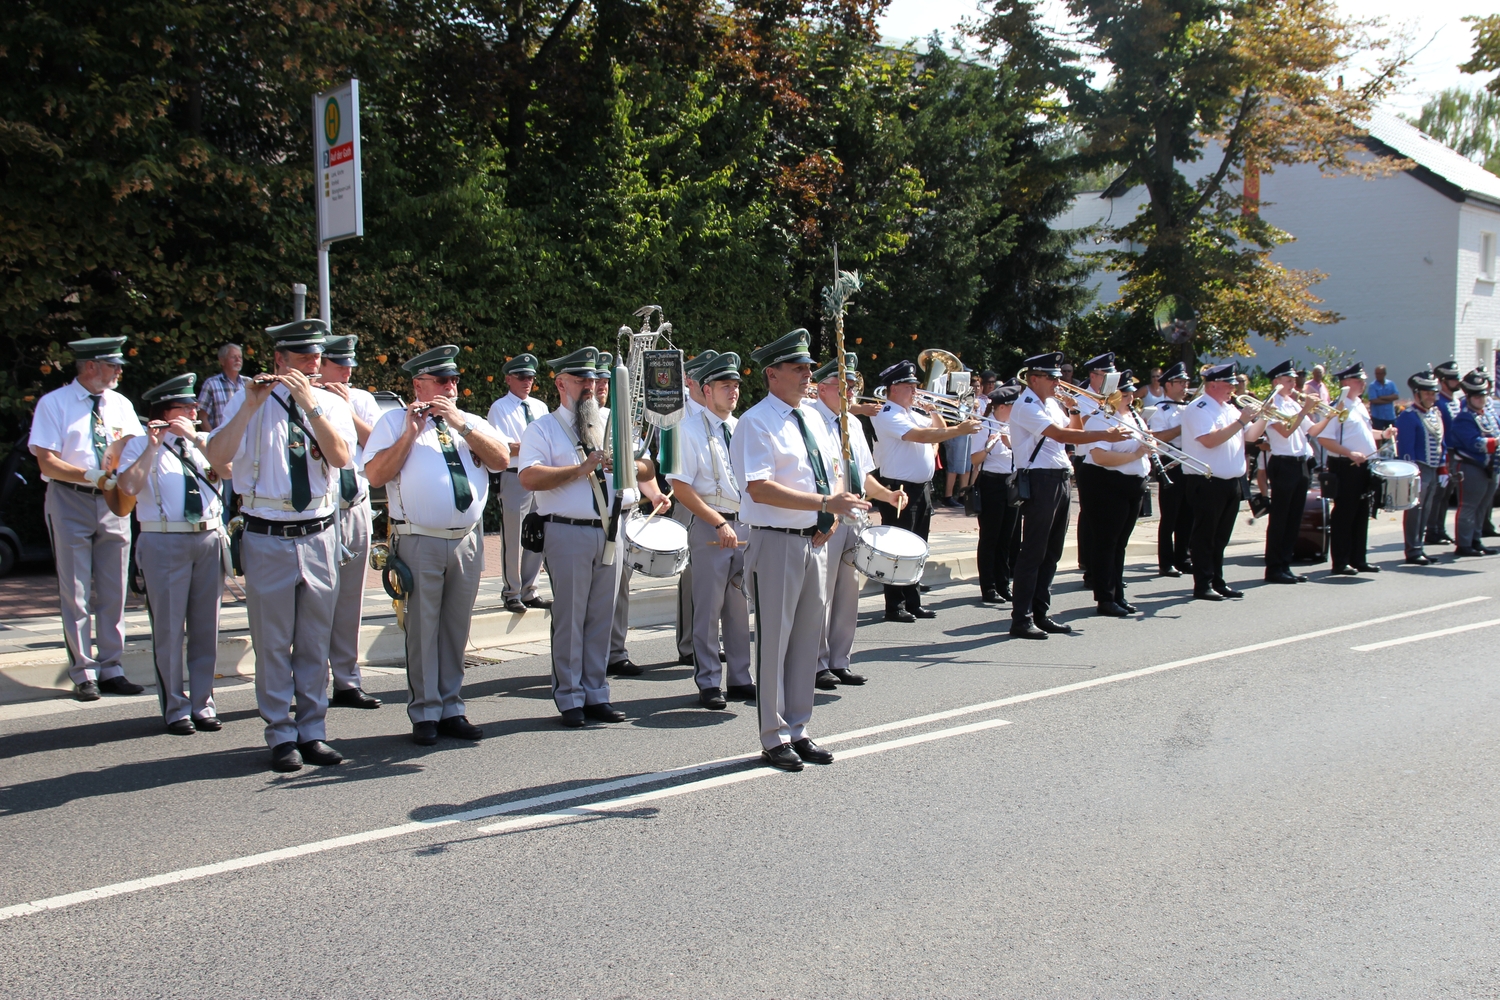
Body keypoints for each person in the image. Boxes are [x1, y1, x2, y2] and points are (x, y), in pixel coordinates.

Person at [204, 319, 355, 773]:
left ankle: (313, 730)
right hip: (268, 532)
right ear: (278, 359)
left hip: (318, 531)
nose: (312, 365)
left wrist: (311, 404)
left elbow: (341, 457)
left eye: (316, 358)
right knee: (272, 643)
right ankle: (281, 733)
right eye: (302, 358)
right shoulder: (247, 399)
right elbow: (217, 457)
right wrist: (250, 406)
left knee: (314, 640)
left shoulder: (329, 401)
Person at [730, 330, 868, 771]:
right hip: (774, 540)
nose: (808, 374)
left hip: (813, 539)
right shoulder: (756, 421)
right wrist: (825, 504)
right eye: (798, 368)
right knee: (775, 641)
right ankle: (773, 737)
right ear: (772, 374)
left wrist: (829, 517)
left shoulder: (812, 418)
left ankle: (798, 728)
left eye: (809, 367)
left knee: (808, 639)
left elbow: (831, 471)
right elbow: (759, 488)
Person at [363, 346, 510, 745]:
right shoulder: (393, 422)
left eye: (454, 380)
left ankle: (451, 707)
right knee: (422, 629)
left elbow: (500, 460)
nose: (450, 387)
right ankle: (425, 711)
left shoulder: (470, 421)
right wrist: (410, 434)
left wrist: (461, 424)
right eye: (442, 381)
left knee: (456, 628)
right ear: (418, 385)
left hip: (465, 540)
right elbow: (376, 474)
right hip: (419, 539)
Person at [517, 347, 669, 727]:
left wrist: (630, 465)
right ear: (560, 384)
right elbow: (529, 477)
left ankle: (596, 692)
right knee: (570, 617)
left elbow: (648, 466)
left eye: (593, 379)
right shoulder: (543, 428)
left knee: (602, 616)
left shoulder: (612, 421)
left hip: (613, 530)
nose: (590, 385)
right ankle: (569, 696)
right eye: (580, 379)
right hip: (567, 531)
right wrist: (578, 469)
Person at [28, 337, 146, 701]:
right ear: (90, 366)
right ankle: (83, 672)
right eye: (112, 365)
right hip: (70, 499)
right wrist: (89, 475)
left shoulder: (121, 404)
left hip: (113, 501)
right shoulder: (54, 403)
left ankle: (112, 667)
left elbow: (134, 450)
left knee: (114, 589)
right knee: (75, 590)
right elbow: (47, 462)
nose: (119, 371)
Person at [116, 374, 230, 734]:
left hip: (208, 538)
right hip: (164, 540)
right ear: (166, 412)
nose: (195, 412)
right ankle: (175, 707)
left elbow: (230, 471)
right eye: (186, 407)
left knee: (206, 627)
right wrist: (153, 445)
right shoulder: (139, 445)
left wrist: (196, 438)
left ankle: (203, 703)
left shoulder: (204, 441)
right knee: (168, 629)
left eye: (194, 406)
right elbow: (128, 487)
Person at [1006, 352, 1128, 639]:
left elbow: (1074, 432)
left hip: (1059, 477)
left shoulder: (1051, 403)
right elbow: (1061, 435)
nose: (1058, 382)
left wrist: (1074, 411)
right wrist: (1105, 435)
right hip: (1040, 479)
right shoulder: (1026, 405)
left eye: (1058, 377)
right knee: (1034, 551)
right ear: (1033, 379)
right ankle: (1021, 618)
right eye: (1052, 377)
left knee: (1052, 551)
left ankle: (1040, 613)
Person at [808, 353, 907, 690]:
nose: (851, 391)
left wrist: (887, 495)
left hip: (854, 517)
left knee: (848, 593)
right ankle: (817, 663)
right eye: (844, 385)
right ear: (822, 388)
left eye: (852, 385)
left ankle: (840, 660)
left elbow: (862, 474)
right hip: (827, 516)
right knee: (820, 595)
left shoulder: (852, 422)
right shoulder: (809, 420)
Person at [667, 352, 756, 709]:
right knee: (707, 608)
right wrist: (718, 522)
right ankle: (708, 681)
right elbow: (681, 487)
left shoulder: (741, 427)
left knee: (739, 607)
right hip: (710, 524)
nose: (733, 392)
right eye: (725, 386)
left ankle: (740, 677)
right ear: (707, 390)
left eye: (735, 385)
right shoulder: (686, 430)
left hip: (744, 523)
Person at [870, 360, 979, 622]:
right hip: (899, 489)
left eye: (915, 385)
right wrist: (959, 429)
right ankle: (894, 605)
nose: (915, 390)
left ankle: (913, 601)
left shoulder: (910, 412)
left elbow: (936, 431)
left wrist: (934, 411)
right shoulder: (888, 414)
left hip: (921, 489)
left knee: (918, 547)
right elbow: (920, 436)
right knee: (898, 548)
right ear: (894, 388)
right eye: (910, 386)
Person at [317, 335, 382, 710]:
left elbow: (376, 445)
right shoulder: (306, 397)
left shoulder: (361, 399)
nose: (346, 372)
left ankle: (346, 680)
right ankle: (310, 681)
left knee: (349, 599)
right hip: (319, 509)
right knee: (314, 600)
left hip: (354, 504)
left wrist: (347, 409)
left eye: (350, 366)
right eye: (339, 365)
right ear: (321, 364)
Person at [597, 353, 671, 678]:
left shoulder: (622, 420)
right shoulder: (575, 423)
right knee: (591, 592)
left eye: (606, 382)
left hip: (625, 517)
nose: (601, 387)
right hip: (594, 518)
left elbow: (644, 464)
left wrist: (653, 493)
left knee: (620, 589)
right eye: (596, 381)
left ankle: (615, 652)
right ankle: (589, 656)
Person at [1179, 362, 1268, 601]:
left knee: (1221, 537)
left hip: (1231, 481)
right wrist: (1241, 421)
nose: (1233, 388)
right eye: (1228, 384)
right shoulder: (1199, 408)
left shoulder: (1228, 408)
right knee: (1205, 536)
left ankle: (1218, 580)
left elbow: (1250, 436)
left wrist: (1264, 417)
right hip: (1207, 481)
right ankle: (1203, 584)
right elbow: (1209, 441)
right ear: (1213, 385)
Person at [1078, 373, 1152, 616]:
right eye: (1125, 393)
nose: (1130, 397)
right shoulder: (1101, 418)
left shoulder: (1134, 417)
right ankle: (1105, 597)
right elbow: (1100, 456)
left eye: (1131, 393)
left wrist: (1148, 450)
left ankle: (1117, 593)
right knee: (1106, 543)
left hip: (1131, 484)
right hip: (1106, 484)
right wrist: (1136, 455)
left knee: (1120, 543)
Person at [486, 353, 552, 614]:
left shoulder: (540, 407)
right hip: (514, 476)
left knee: (538, 532)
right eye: (522, 377)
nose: (527, 382)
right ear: (508, 379)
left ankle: (530, 590)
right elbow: (502, 447)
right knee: (513, 536)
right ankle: (512, 592)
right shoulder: (500, 408)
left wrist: (524, 447)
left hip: (540, 475)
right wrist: (532, 447)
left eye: (531, 377)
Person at [1316, 362, 1394, 575]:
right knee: (1345, 514)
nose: (1363, 383)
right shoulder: (1338, 407)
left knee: (1361, 512)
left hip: (1363, 465)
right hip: (1346, 465)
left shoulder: (1358, 404)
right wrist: (1350, 453)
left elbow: (1364, 433)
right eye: (1358, 380)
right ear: (1346, 383)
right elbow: (1324, 438)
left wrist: (1383, 434)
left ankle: (1358, 559)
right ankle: (1341, 561)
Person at [1260, 360, 1329, 584]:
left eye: (1293, 380)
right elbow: (1286, 431)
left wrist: (1329, 416)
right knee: (1280, 518)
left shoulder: (1292, 403)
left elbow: (1313, 431)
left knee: (1294, 518)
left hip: (1301, 463)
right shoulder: (1272, 404)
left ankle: (1285, 564)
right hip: (1283, 463)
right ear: (1276, 382)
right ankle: (1274, 567)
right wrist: (1305, 409)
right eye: (1288, 380)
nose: (1293, 384)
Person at [672, 350, 718, 667]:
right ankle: (689, 644)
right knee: (691, 574)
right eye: (703, 378)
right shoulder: (676, 415)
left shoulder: (722, 414)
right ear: (690, 381)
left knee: (720, 576)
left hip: (722, 505)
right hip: (689, 498)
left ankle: (711, 641)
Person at [1392, 366, 1448, 565]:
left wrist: (1443, 467)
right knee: (1415, 510)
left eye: (1433, 393)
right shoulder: (1409, 416)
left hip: (1432, 468)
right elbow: (1406, 448)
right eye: (1427, 393)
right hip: (1418, 468)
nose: (1431, 397)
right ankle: (1413, 549)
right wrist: (1412, 473)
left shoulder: (1434, 414)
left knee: (1426, 509)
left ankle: (1420, 546)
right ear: (1417, 394)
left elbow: (1441, 442)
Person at [1069, 353, 1117, 580]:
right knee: (1089, 512)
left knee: (1107, 513)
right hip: (1086, 459)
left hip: (1108, 458)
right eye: (1105, 375)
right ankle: (1087, 561)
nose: (1109, 380)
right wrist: (1099, 408)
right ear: (1093, 376)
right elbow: (1078, 430)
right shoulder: (1081, 398)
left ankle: (1105, 566)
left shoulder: (1114, 397)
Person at [971, 382, 1020, 604]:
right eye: (1013, 406)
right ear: (1002, 407)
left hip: (1011, 482)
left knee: (1007, 538)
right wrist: (989, 447)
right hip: (991, 483)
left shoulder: (1013, 426)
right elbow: (975, 460)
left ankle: (1003, 583)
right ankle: (988, 587)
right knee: (990, 537)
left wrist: (1011, 443)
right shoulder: (985, 426)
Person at [1147, 362, 1194, 578]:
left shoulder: (1190, 407)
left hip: (1190, 461)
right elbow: (1157, 437)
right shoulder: (1160, 409)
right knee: (1170, 516)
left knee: (1188, 514)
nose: (1185, 386)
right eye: (1180, 382)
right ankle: (1166, 562)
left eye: (1186, 382)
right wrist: (1183, 427)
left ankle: (1183, 557)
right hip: (1171, 463)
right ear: (1168, 385)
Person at [1447, 367, 1500, 557]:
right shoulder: (1464, 418)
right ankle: (1464, 543)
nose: (1481, 399)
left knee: (1483, 506)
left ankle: (1476, 540)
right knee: (1469, 506)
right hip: (1472, 466)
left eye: (1483, 395)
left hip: (1492, 466)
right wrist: (1496, 442)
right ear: (1468, 397)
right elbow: (1473, 443)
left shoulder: (1489, 415)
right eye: (1476, 396)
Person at [197, 343, 245, 525]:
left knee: (248, 495)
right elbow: (202, 416)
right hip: (224, 453)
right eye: (233, 357)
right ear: (222, 360)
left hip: (246, 450)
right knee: (224, 497)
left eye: (240, 356)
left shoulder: (249, 384)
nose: (238, 360)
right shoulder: (212, 384)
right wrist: (215, 443)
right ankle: (223, 531)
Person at [1427, 360, 1465, 546]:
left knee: (1447, 494)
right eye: (1452, 379)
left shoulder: (1455, 401)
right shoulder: (1439, 402)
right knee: (1439, 493)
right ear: (1442, 381)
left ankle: (1440, 529)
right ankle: (1432, 530)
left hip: (1456, 452)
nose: (1457, 382)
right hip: (1445, 451)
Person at [1366, 365, 1399, 431]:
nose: (1378, 376)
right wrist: (1389, 400)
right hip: (1377, 417)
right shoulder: (1372, 386)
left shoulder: (1391, 384)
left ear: (1384, 374)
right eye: (1376, 374)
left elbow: (1396, 396)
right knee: (1378, 434)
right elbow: (1374, 400)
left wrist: (1382, 397)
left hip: (1390, 416)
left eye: (1380, 374)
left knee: (1391, 434)